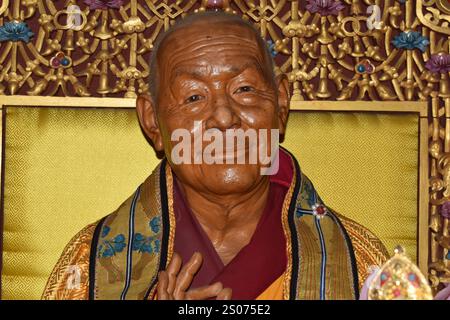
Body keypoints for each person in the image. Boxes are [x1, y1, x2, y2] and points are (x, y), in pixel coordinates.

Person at [43, 11, 402, 300]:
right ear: (153, 121)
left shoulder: (360, 265)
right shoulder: (90, 268)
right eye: (194, 97)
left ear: (280, 106)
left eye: (244, 89)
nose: (225, 118)